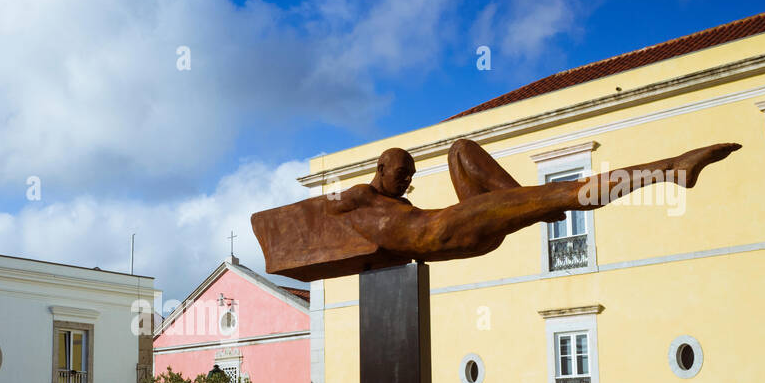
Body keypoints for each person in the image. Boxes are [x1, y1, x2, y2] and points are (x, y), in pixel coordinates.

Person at [253, 138, 740, 280]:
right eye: (399, 172)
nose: (406, 180)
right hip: (442, 232)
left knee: (461, 149)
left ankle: (523, 203)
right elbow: (313, 210)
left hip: (458, 228)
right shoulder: (361, 196)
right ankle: (668, 170)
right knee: (565, 193)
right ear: (380, 169)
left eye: (408, 175)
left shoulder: (398, 204)